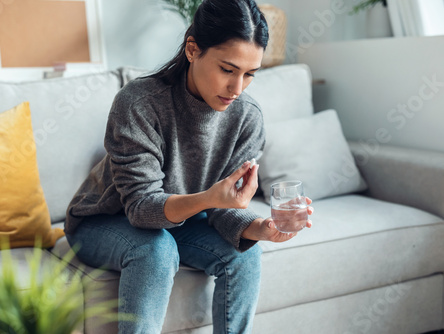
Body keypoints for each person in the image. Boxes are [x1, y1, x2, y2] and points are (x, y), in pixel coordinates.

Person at [65, 0, 313, 333]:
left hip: (180, 221)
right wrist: (210, 199)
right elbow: (140, 208)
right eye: (227, 69)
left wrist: (260, 228)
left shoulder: (247, 117)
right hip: (104, 221)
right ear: (193, 49)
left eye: (249, 74)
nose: (237, 89)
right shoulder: (139, 102)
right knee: (156, 249)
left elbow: (224, 208)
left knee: (246, 253)